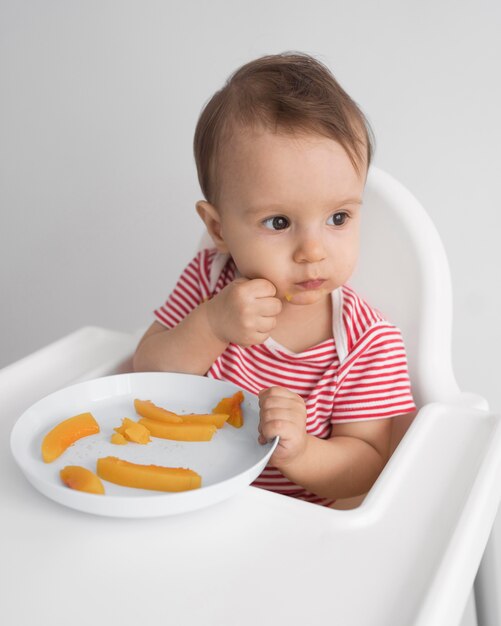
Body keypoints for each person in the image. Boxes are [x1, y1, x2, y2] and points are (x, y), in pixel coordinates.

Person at [133, 51, 417, 509]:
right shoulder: (208, 284)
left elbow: (367, 465)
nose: (313, 251)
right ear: (220, 229)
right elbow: (145, 373)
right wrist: (211, 326)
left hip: (294, 528)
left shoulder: (368, 342)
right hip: (188, 497)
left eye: (338, 217)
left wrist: (302, 452)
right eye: (280, 223)